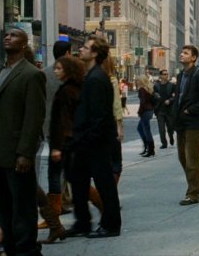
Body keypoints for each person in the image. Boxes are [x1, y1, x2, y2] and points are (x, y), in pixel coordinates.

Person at [0, 28, 46, 255]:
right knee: (3, 207)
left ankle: (27, 249)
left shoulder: (31, 74)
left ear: (24, 44)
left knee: (23, 206)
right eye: (6, 35)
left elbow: (34, 117)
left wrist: (25, 153)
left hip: (17, 154)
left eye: (14, 35)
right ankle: (11, 247)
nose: (8, 37)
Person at [67, 35, 122, 238]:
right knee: (79, 182)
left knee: (105, 184)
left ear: (95, 53)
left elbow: (99, 116)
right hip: (85, 142)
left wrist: (85, 139)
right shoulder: (90, 76)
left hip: (95, 143)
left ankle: (111, 224)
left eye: (86, 47)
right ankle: (82, 222)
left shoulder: (97, 78)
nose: (81, 50)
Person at [39, 55, 86, 244]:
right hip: (70, 142)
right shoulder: (75, 88)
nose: (55, 71)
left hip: (63, 143)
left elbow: (62, 122)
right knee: (73, 178)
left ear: (68, 70)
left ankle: (55, 222)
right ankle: (103, 206)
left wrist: (57, 147)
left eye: (59, 69)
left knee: (57, 179)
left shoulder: (66, 91)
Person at [171, 45, 199, 206]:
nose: (181, 55)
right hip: (181, 123)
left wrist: (190, 111)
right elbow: (179, 98)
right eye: (181, 52)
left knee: (191, 160)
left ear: (194, 58)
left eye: (186, 53)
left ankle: (193, 193)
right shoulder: (181, 75)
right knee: (183, 158)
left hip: (194, 124)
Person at [38, 41, 71, 230]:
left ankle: (55, 212)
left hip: (51, 130)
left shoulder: (43, 75)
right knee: (68, 171)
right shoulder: (75, 74)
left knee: (56, 172)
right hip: (70, 130)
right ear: (68, 52)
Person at [154, 69, 176, 148]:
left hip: (169, 110)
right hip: (160, 110)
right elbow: (154, 95)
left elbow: (175, 96)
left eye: (167, 74)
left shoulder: (172, 85)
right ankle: (164, 143)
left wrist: (170, 100)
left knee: (170, 127)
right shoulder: (156, 85)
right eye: (164, 74)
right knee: (161, 129)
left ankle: (171, 136)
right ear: (160, 76)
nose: (166, 75)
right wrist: (156, 96)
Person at [136, 76, 157, 157]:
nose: (137, 82)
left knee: (146, 130)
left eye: (138, 80)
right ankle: (147, 148)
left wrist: (139, 112)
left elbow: (142, 102)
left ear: (141, 81)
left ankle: (150, 150)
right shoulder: (149, 89)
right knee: (141, 128)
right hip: (150, 111)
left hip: (145, 111)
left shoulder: (142, 89)